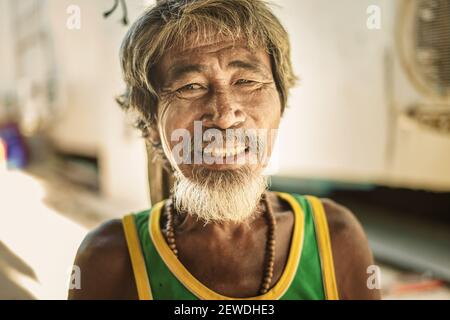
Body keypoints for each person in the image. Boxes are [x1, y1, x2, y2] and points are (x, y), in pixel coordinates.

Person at [68, 0, 380, 300]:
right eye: (191, 86)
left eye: (246, 81)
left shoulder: (336, 239)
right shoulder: (108, 261)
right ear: (150, 122)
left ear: (281, 104)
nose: (225, 114)